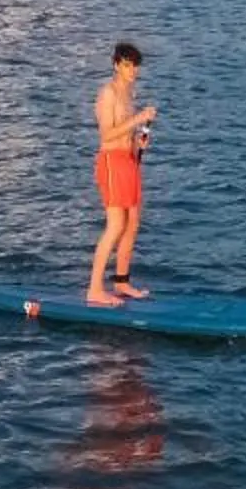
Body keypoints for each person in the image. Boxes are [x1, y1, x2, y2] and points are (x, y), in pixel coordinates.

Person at [87, 42, 156, 306]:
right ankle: (94, 288)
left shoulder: (129, 93)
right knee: (115, 224)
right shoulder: (109, 93)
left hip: (129, 161)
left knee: (133, 222)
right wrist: (138, 119)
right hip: (111, 162)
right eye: (127, 65)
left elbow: (125, 132)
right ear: (117, 65)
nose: (132, 70)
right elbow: (106, 134)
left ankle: (121, 281)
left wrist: (138, 141)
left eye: (135, 65)